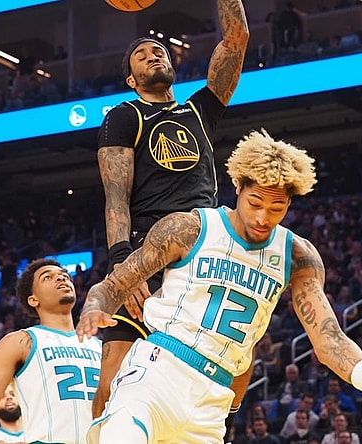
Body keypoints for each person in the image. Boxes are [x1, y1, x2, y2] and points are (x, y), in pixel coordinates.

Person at [78, 130, 362, 443]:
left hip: (212, 400)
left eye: (276, 208)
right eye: (255, 202)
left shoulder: (298, 256)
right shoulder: (190, 227)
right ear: (238, 188)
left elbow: (329, 342)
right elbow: (114, 285)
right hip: (158, 372)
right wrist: (94, 306)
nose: (263, 217)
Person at [94, 0, 250, 437]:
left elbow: (236, 41)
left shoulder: (199, 109)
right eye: (142, 55)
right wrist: (124, 267)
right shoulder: (125, 116)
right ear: (131, 77)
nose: (153, 55)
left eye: (158, 51)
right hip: (150, 253)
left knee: (231, 370)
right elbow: (115, 198)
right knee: (112, 384)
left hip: (208, 249)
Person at [0, 258, 103, 444]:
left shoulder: (101, 347)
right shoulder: (19, 342)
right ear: (33, 299)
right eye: (48, 277)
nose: (61, 279)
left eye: (64, 276)